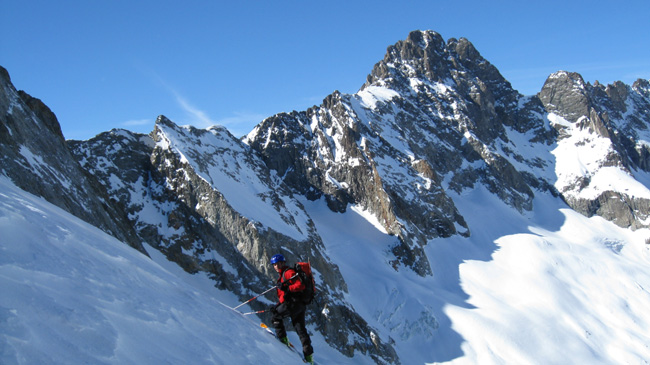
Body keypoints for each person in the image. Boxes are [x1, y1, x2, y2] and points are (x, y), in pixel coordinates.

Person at [269, 254, 314, 364]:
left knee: (276, 317)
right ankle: (309, 357)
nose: (276, 266)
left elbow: (300, 286)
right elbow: (283, 295)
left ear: (283, 263)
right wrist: (278, 304)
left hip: (293, 304)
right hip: (299, 305)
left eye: (278, 263)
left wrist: (286, 287)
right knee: (301, 330)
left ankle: (283, 340)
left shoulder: (288, 273)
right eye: (274, 264)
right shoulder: (284, 274)